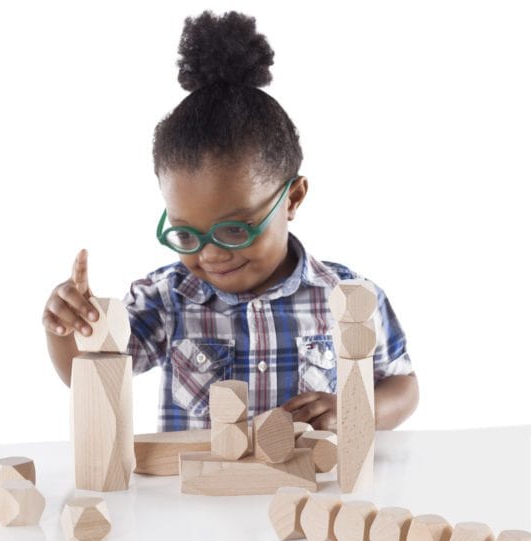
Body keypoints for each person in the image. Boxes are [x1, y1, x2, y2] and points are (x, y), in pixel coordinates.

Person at [42, 10, 419, 433]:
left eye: (235, 230)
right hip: (199, 497)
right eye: (185, 234)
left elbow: (402, 385)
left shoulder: (347, 296)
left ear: (292, 198)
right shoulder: (166, 298)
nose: (211, 254)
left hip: (305, 493)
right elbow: (87, 376)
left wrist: (354, 409)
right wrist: (65, 329)